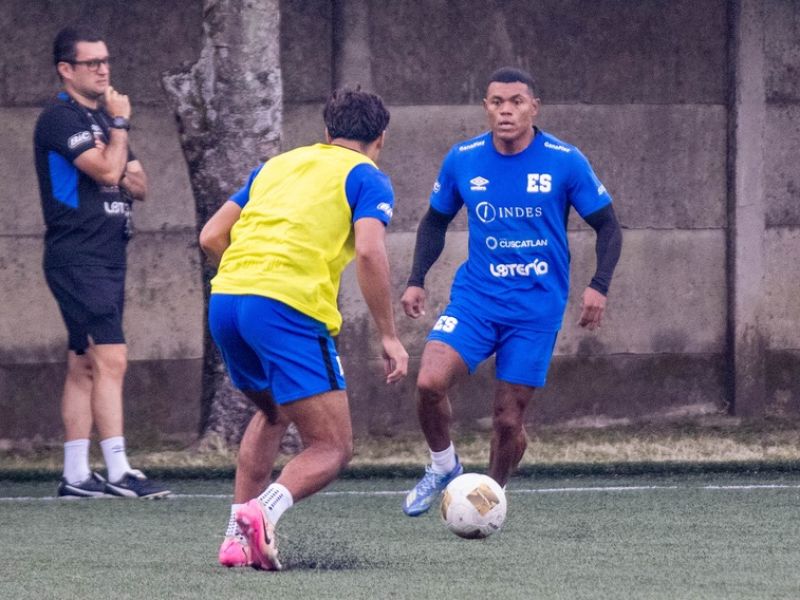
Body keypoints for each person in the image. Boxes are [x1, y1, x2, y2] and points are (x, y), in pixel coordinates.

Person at [199, 87, 409, 570]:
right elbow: (372, 253)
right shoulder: (368, 177)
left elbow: (212, 235)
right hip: (287, 308)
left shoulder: (277, 165)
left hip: (228, 301)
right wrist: (389, 335)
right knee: (333, 446)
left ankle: (235, 539)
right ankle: (261, 513)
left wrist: (250, 274)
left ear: (327, 132)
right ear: (381, 138)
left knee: (274, 412)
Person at [401, 67, 622, 516]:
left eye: (516, 102)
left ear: (533, 108)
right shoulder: (463, 158)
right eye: (497, 102)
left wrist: (599, 285)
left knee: (507, 420)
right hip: (476, 299)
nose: (506, 110)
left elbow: (608, 226)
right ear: (485, 107)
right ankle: (444, 466)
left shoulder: (564, 160)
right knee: (428, 382)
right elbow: (435, 221)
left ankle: (488, 499)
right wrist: (416, 278)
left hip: (535, 308)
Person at [33, 25, 170, 499]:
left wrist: (114, 138)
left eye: (106, 60)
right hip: (78, 256)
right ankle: (119, 470)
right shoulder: (60, 118)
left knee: (84, 364)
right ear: (66, 69)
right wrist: (120, 128)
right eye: (92, 63)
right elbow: (113, 171)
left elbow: (141, 185)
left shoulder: (104, 122)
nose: (103, 69)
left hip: (110, 256)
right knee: (112, 357)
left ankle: (75, 475)